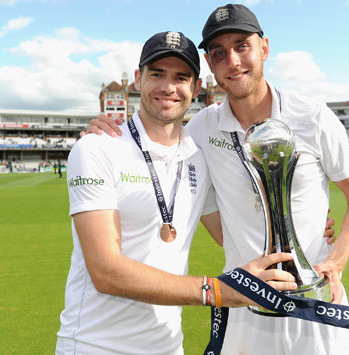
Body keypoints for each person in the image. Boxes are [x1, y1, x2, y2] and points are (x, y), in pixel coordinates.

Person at [88, 4, 349, 354]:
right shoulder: (201, 128)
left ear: (264, 48)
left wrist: (336, 259)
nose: (233, 61)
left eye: (242, 46)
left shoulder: (313, 117)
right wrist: (104, 129)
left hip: (314, 305)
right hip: (245, 310)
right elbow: (154, 143)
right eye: (219, 53)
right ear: (209, 65)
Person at [56, 31, 299, 355]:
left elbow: (237, 236)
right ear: (139, 79)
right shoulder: (97, 148)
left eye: (181, 77)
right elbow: (105, 271)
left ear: (195, 87)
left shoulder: (199, 157)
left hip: (168, 347)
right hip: (94, 346)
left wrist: (302, 228)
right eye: (157, 74)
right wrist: (215, 290)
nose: (168, 87)